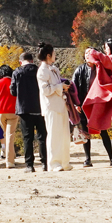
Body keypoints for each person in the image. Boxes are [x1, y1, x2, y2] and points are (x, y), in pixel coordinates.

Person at [72, 56, 112, 167]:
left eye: (90, 53)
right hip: (85, 103)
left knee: (103, 129)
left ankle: (111, 158)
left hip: (98, 102)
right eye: (86, 54)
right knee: (85, 131)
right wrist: (76, 103)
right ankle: (87, 159)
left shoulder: (101, 68)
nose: (88, 56)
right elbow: (74, 87)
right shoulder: (79, 70)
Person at [37, 43, 72, 172]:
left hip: (60, 104)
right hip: (51, 106)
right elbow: (45, 90)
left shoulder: (53, 69)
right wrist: (59, 87)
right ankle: (54, 163)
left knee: (63, 134)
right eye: (54, 53)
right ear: (48, 55)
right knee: (53, 134)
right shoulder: (42, 71)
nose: (55, 56)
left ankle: (64, 161)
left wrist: (63, 86)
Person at [11, 52, 47, 172]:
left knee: (28, 138)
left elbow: (13, 92)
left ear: (21, 62)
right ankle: (44, 163)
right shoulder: (39, 70)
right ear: (32, 60)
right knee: (42, 137)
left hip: (24, 109)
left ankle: (29, 165)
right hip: (40, 108)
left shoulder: (17, 72)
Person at [0, 65, 19, 168]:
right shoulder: (14, 82)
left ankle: (11, 156)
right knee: (10, 135)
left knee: (6, 134)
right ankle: (9, 161)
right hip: (12, 111)